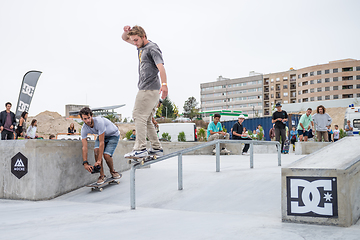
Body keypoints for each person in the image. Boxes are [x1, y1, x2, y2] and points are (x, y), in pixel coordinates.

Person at [122, 25, 167, 158]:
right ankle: (156, 147)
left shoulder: (152, 48)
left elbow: (161, 67)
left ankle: (140, 148)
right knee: (147, 119)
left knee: (138, 115)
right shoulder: (140, 46)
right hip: (150, 90)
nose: (134, 43)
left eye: (136, 40)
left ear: (143, 37)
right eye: (133, 40)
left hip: (148, 89)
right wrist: (126, 32)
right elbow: (124, 38)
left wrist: (164, 85)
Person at [79, 107, 121, 184]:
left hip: (113, 135)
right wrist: (85, 163)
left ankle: (113, 171)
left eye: (89, 118)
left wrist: (98, 160)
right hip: (102, 135)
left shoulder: (99, 122)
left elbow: (102, 142)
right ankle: (102, 175)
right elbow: (84, 147)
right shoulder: (84, 129)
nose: (88, 121)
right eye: (85, 119)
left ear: (91, 116)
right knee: (96, 150)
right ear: (82, 119)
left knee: (106, 155)